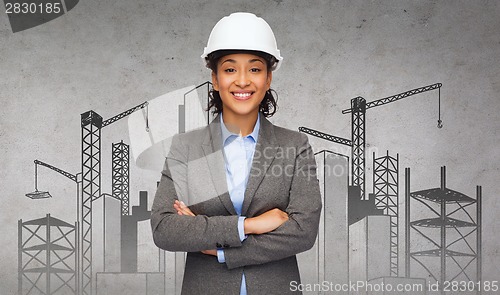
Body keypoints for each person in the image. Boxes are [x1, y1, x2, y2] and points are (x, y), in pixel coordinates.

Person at [151, 12, 322, 295]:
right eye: (230, 69)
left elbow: (303, 232)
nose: (242, 81)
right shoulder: (186, 147)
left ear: (268, 79)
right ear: (215, 80)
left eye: (254, 69)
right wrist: (251, 225)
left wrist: (220, 250)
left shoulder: (295, 146)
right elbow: (165, 228)